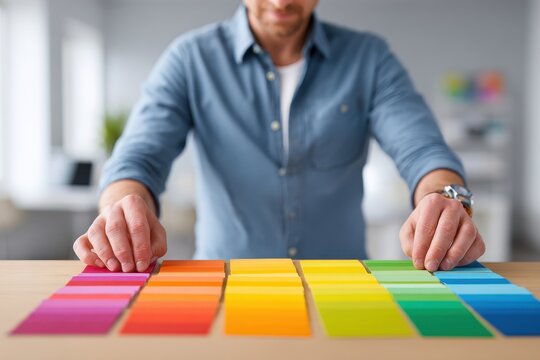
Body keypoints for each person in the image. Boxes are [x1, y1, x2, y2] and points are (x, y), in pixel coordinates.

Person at [73, 0, 485, 273]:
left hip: (344, 289)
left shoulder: (369, 58)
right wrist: (120, 205)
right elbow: (139, 157)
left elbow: (424, 151)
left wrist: (443, 198)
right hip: (224, 285)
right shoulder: (190, 59)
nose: (282, 1)